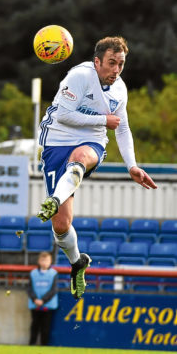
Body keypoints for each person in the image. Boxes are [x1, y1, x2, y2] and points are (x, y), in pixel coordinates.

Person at [37, 36, 157, 299]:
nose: (116, 70)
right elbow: (62, 115)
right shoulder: (79, 76)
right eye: (111, 63)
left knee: (80, 157)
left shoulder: (120, 90)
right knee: (60, 224)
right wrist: (104, 119)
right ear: (97, 62)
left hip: (90, 141)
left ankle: (55, 198)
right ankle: (77, 262)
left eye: (121, 64)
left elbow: (122, 127)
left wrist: (132, 166)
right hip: (56, 141)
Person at [27, 251, 58, 346]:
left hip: (48, 305)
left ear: (50, 261)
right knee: (34, 325)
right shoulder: (33, 273)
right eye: (43, 260)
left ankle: (44, 345)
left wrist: (43, 300)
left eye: (47, 260)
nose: (45, 262)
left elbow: (53, 290)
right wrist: (35, 299)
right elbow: (29, 288)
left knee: (46, 326)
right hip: (35, 304)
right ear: (39, 261)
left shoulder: (53, 273)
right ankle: (32, 344)